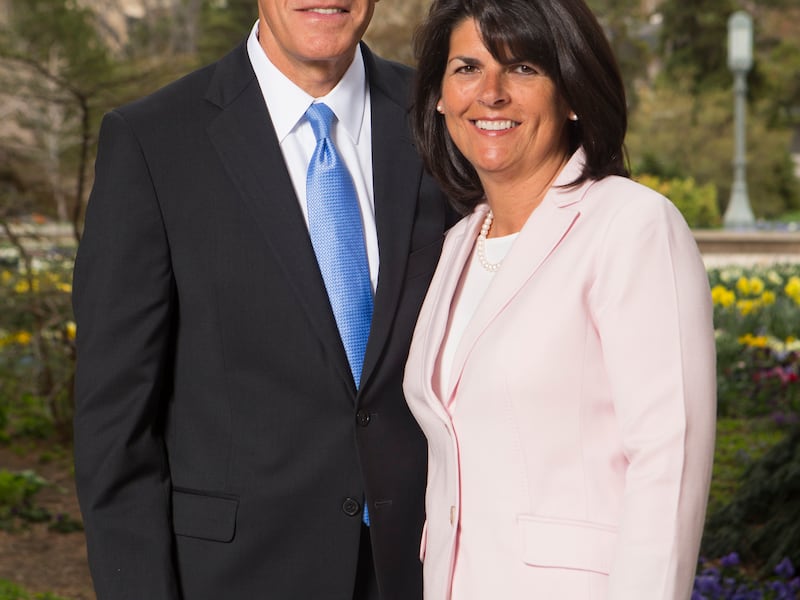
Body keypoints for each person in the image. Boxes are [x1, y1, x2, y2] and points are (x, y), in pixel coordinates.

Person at [72, 1, 453, 598]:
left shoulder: (447, 117)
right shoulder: (153, 141)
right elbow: (114, 420)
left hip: (429, 565)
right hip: (236, 573)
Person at [403, 0, 717, 598]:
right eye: (467, 68)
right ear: (440, 97)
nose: (490, 93)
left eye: (522, 68)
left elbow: (667, 463)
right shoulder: (456, 244)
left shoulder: (631, 225)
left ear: (571, 93)